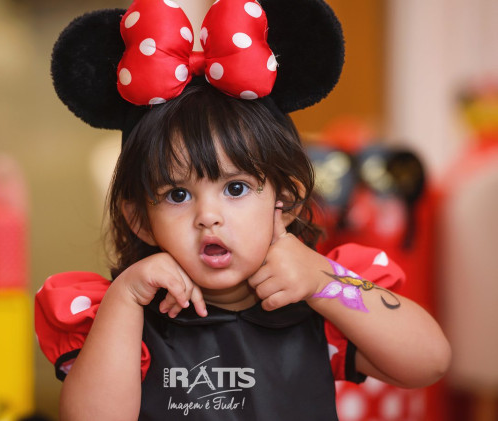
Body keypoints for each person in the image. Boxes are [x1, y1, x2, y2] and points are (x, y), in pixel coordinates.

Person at [35, 0, 451, 419]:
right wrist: (125, 298)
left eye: (235, 188)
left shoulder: (318, 306)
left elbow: (430, 361)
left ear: (285, 200)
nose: (208, 216)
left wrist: (324, 280)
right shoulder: (128, 320)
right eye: (178, 195)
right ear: (140, 220)